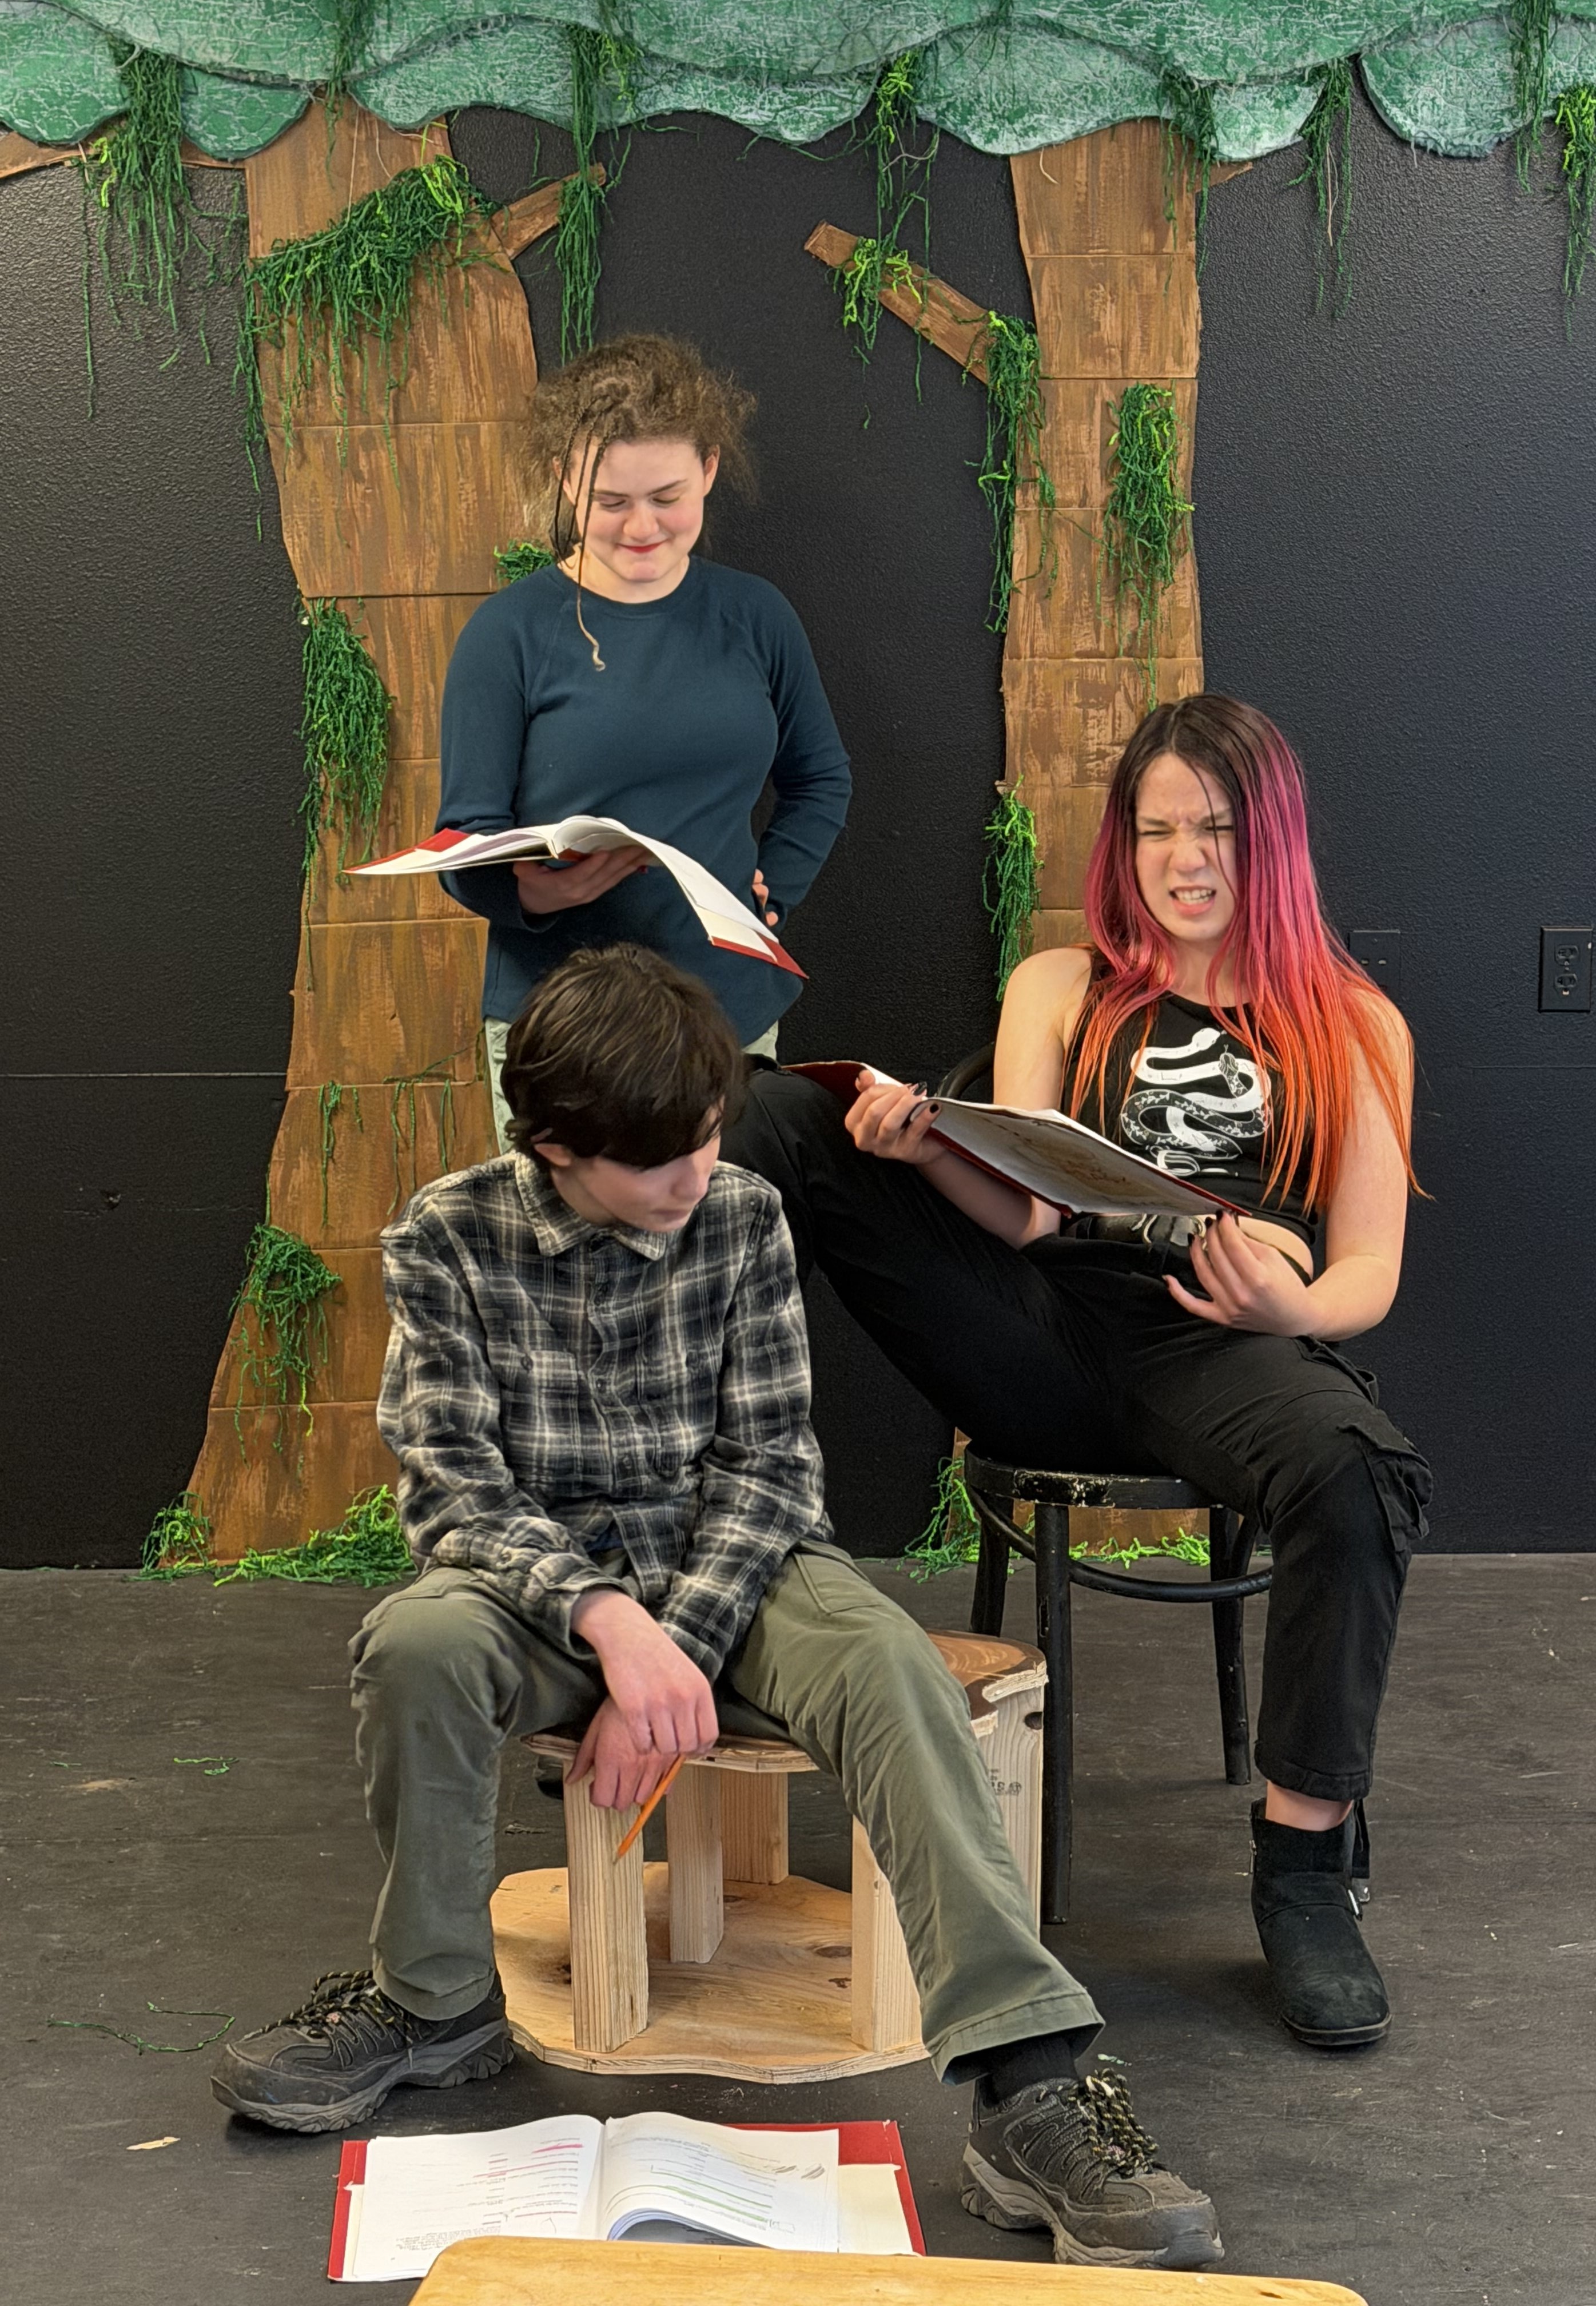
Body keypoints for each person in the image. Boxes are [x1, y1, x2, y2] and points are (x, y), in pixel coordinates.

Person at [209, 944, 1225, 2275]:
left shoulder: (742, 1211)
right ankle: (432, 2003)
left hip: (738, 1572)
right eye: (659, 1161)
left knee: (885, 1664)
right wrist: (610, 1632)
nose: (695, 1178)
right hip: (546, 1589)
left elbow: (770, 1464)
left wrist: (675, 1645)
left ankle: (1029, 2085)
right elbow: (453, 1493)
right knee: (415, 1641)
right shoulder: (447, 1238)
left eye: (704, 1139)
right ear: (557, 1145)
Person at [726, 693, 1433, 2051]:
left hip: (1224, 1341)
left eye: (1215, 828)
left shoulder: (1354, 1024)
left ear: (1268, 840)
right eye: (1158, 829)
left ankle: (1305, 1873)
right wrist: (931, 1145)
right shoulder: (1063, 987)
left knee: (1358, 1477)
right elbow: (1032, 1212)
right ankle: (657, 1448)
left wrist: (1291, 1306)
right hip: (1038, 1322)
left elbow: (1369, 1275)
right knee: (784, 1111)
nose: (1184, 859)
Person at [436, 332, 851, 1143]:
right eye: (609, 502)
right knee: (568, 1260)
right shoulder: (508, 633)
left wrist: (777, 886)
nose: (641, 528)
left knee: (725, 1249)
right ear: (566, 483)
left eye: (667, 497)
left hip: (727, 1006)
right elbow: (463, 837)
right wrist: (533, 892)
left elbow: (821, 775)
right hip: (562, 1020)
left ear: (709, 471)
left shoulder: (756, 615)